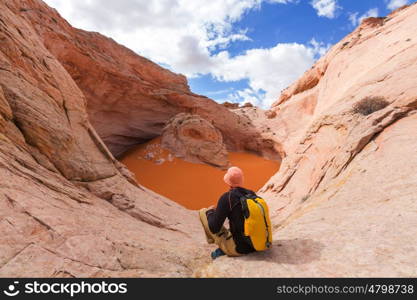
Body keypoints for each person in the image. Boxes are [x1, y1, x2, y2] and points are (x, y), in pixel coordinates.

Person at [199, 166, 257, 259]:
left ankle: (221, 247)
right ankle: (224, 245)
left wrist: (210, 212)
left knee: (203, 212)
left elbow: (214, 228)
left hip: (241, 249)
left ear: (228, 182)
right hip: (256, 243)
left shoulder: (227, 198)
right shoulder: (251, 194)